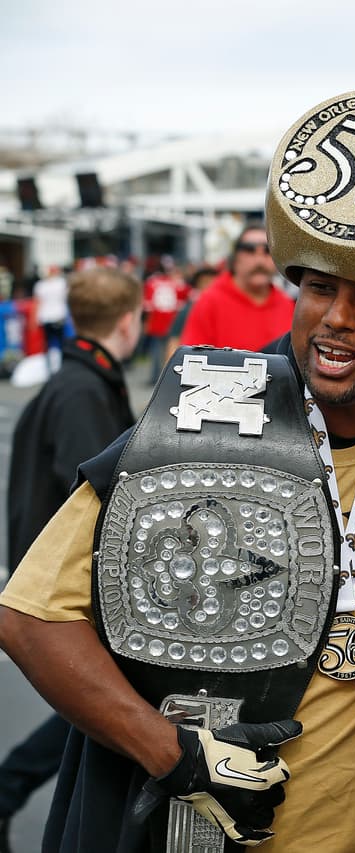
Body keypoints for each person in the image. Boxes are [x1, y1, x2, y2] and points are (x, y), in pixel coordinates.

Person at [0, 88, 355, 852]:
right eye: (320, 286)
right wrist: (178, 756)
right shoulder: (207, 418)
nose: (335, 316)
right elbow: (30, 615)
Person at [0, 266, 143, 853]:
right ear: (130, 322)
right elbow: (103, 505)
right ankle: (6, 788)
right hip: (73, 591)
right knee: (102, 707)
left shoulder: (73, 382)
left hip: (49, 579)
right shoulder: (85, 392)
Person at [178, 222, 293, 351]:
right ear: (235, 257)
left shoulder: (286, 304)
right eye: (249, 249)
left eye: (268, 250)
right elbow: (192, 359)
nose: (259, 260)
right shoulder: (210, 301)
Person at [139, 257, 191, 383]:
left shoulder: (152, 283)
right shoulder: (178, 284)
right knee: (172, 352)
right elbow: (187, 299)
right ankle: (169, 378)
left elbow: (147, 305)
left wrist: (146, 323)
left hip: (157, 323)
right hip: (172, 323)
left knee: (156, 353)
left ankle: (155, 378)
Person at [162, 264, 217, 365]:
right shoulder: (189, 309)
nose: (209, 286)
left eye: (213, 282)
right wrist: (170, 365)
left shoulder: (226, 310)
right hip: (193, 362)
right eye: (205, 282)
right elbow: (174, 339)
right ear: (198, 286)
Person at [32, 264, 68, 374]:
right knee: (57, 343)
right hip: (54, 316)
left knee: (52, 343)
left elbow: (37, 303)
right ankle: (57, 366)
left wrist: (34, 319)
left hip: (51, 316)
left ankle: (54, 367)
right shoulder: (60, 283)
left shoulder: (45, 285)